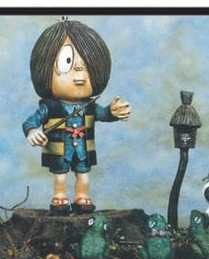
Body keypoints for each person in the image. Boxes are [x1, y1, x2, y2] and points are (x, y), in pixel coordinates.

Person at [22, 19, 131, 213]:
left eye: (87, 65)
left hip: (82, 150)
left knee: (84, 176)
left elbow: (103, 114)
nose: (79, 72)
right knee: (60, 176)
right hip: (59, 151)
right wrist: (32, 131)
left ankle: (82, 197)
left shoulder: (90, 106)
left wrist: (112, 112)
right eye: (68, 62)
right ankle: (60, 197)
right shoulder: (50, 107)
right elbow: (31, 121)